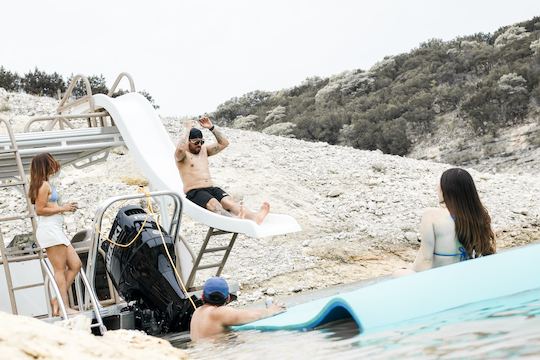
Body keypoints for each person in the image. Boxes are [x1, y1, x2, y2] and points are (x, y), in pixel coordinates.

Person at [398, 167, 496, 275]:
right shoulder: (480, 216)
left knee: (399, 273)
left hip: (441, 278)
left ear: (446, 189)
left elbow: (426, 259)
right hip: (465, 275)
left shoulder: (431, 215)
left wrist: (410, 273)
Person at [175, 116, 270, 224]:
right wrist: (187, 130)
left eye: (202, 142)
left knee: (230, 202)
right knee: (215, 204)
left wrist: (211, 128)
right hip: (195, 192)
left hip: (211, 189)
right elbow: (180, 148)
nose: (200, 145)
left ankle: (256, 217)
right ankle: (235, 221)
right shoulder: (181, 155)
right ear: (188, 141)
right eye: (196, 142)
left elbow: (224, 143)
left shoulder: (204, 150)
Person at [28, 153, 81, 316]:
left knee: (76, 264)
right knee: (60, 269)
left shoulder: (45, 184)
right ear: (45, 165)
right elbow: (40, 210)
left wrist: (62, 208)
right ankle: (64, 307)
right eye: (51, 163)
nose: (54, 165)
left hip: (56, 229)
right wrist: (63, 208)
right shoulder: (43, 185)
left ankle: (57, 300)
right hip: (49, 230)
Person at [190, 277, 285, 341]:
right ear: (227, 298)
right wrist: (271, 310)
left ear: (202, 296)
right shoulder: (218, 313)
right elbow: (252, 315)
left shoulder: (197, 313)